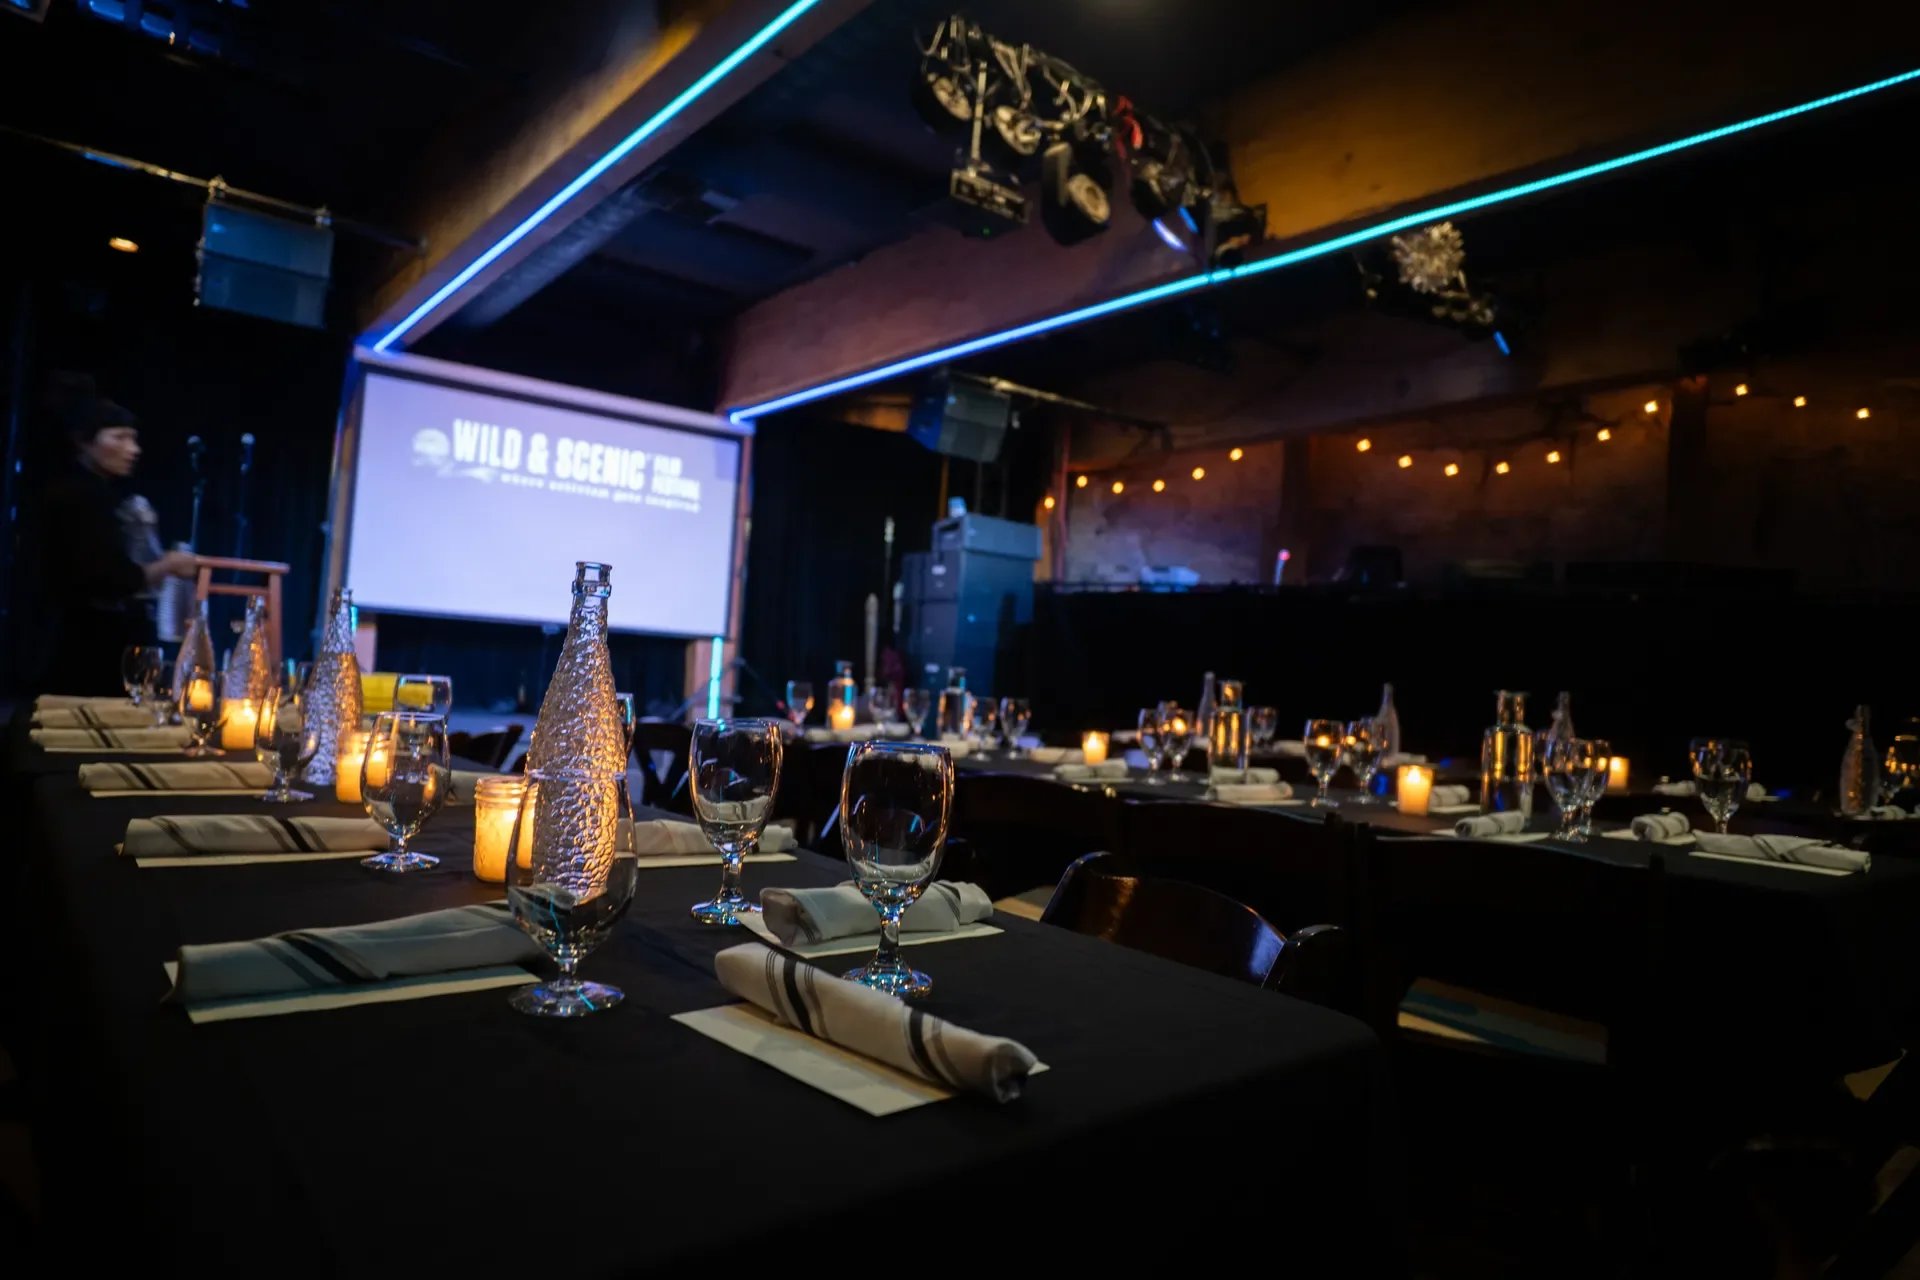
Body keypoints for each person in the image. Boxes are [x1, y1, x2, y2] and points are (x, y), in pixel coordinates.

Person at [35, 380, 196, 695]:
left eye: (134, 440)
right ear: (84, 442)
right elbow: (109, 579)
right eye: (120, 438)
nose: (133, 450)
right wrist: (166, 565)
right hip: (85, 649)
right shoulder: (78, 495)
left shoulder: (101, 493)